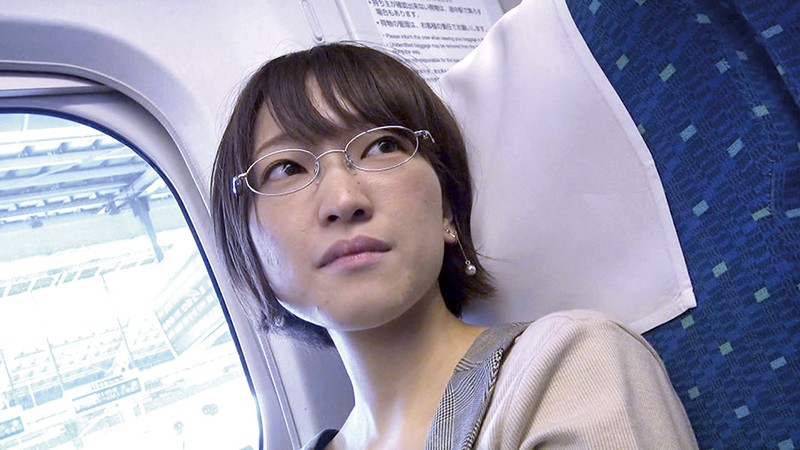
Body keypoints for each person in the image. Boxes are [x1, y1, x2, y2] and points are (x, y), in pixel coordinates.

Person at [210, 43, 698, 449]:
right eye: (287, 168)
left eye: (382, 146)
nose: (343, 199)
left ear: (447, 209)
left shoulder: (564, 369)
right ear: (247, 246)